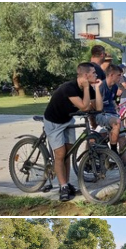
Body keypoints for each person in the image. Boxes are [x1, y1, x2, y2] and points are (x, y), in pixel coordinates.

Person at [43, 62, 102, 201]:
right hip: (54, 122)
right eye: (94, 73)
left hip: (68, 121)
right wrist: (87, 88)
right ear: (86, 75)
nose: (96, 75)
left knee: (68, 152)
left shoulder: (89, 88)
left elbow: (98, 107)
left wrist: (97, 88)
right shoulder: (69, 88)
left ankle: (67, 183)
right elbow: (85, 107)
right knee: (60, 154)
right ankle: (62, 186)